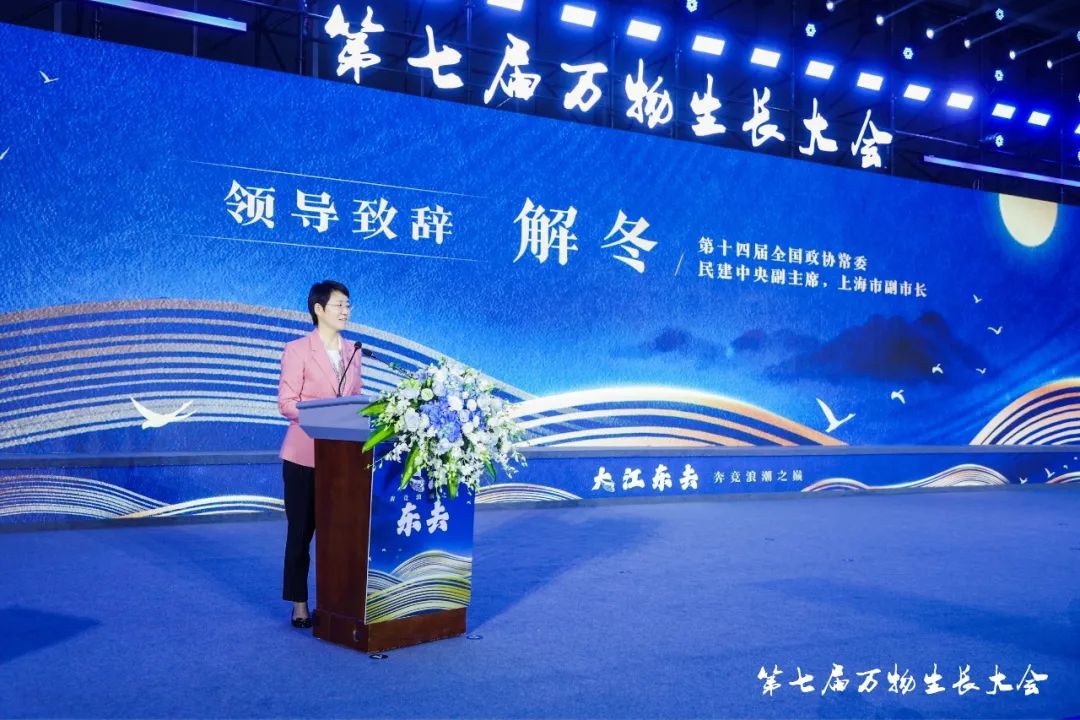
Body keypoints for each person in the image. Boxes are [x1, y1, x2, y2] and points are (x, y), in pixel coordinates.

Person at [277, 280, 363, 628]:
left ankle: (338, 601)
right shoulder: (297, 350)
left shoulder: (353, 351)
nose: (345, 311)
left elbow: (356, 401)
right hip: (303, 456)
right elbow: (286, 403)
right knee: (301, 533)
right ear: (318, 309)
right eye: (339, 305)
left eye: (348, 305)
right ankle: (299, 603)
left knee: (341, 533)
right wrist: (323, 414)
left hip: (342, 460)